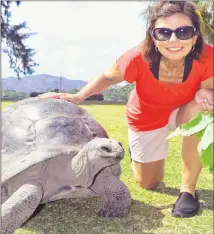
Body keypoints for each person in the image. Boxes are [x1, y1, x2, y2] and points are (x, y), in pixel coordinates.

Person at [39, 0, 213, 218]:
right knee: (149, 183)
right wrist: (79, 96)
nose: (174, 39)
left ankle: (187, 191)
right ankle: (139, 158)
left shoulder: (207, 55)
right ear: (153, 36)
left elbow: (208, 89)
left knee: (201, 110)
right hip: (146, 117)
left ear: (195, 36)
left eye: (183, 31)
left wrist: (207, 93)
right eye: (164, 32)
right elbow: (107, 77)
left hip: (182, 110)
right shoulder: (137, 57)